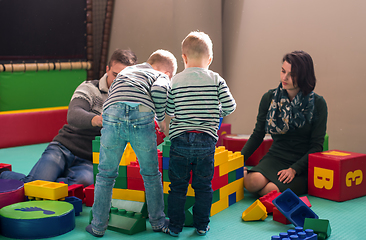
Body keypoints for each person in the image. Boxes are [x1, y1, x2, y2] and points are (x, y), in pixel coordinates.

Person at [0, 49, 137, 187]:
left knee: (80, 185)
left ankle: (53, 182)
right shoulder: (90, 88)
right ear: (107, 69)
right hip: (64, 147)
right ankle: (3, 174)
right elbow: (73, 114)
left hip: (89, 159)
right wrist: (97, 120)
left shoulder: (132, 100)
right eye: (115, 75)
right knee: (35, 185)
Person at [86, 49, 178, 237]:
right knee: (151, 174)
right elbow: (160, 91)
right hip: (140, 115)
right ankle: (158, 222)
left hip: (111, 114)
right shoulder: (160, 75)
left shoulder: (129, 71)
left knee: (105, 175)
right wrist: (161, 119)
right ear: (167, 73)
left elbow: (116, 95)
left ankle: (98, 226)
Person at [163, 31, 236, 237]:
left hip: (179, 140)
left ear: (183, 58)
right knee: (203, 186)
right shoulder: (216, 79)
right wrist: (216, 111)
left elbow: (169, 110)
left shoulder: (175, 80)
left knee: (177, 186)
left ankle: (175, 226)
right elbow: (230, 106)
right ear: (210, 59)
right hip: (206, 140)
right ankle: (202, 225)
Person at [242, 50, 328, 196]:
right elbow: (258, 134)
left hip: (301, 163)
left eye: (292, 74)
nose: (285, 77)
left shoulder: (318, 103)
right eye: (283, 71)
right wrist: (239, 161)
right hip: (276, 156)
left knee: (270, 191)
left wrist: (294, 169)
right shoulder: (269, 98)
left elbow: (316, 146)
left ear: (303, 76)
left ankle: (279, 186)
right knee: (252, 183)